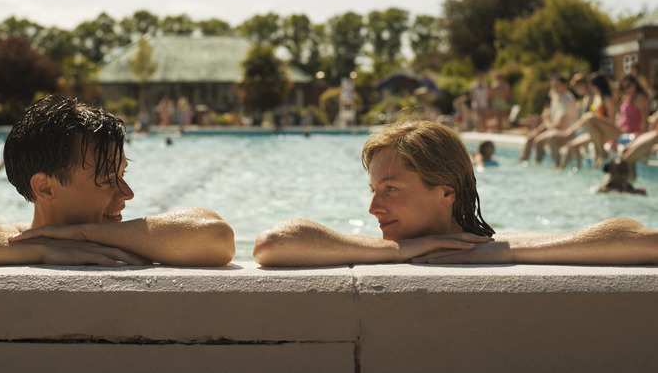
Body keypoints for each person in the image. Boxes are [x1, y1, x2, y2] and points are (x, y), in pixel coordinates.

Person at [0, 95, 235, 267]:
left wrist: (82, 234)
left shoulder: (128, 238)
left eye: (122, 174)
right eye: (107, 178)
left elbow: (218, 237)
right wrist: (40, 249)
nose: (127, 194)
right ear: (45, 187)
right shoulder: (4, 236)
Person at [252, 120, 657, 267]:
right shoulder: (370, 248)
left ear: (446, 193)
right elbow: (272, 244)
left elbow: (641, 240)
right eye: (374, 190)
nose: (374, 207)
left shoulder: (487, 245)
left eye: (390, 189)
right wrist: (410, 249)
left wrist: (504, 252)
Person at [559, 75, 649, 168]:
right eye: (623, 87)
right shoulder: (626, 98)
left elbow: (644, 120)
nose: (626, 89)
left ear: (635, 85)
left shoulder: (639, 98)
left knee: (589, 118)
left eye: (628, 86)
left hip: (628, 132)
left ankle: (602, 155)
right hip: (620, 130)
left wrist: (644, 138)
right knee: (588, 122)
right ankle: (598, 156)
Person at [558, 73, 616, 170]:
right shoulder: (597, 98)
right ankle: (574, 168)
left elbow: (611, 120)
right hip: (594, 130)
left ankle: (578, 168)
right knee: (571, 145)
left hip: (602, 131)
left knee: (573, 144)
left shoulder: (606, 99)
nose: (591, 88)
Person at [518, 75, 578, 166]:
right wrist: (539, 129)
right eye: (553, 85)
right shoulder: (556, 97)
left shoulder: (567, 100)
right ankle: (523, 160)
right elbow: (548, 117)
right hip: (555, 128)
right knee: (531, 138)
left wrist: (546, 122)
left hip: (567, 131)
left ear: (565, 85)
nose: (554, 87)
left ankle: (542, 164)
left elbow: (559, 125)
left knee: (539, 141)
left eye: (557, 85)